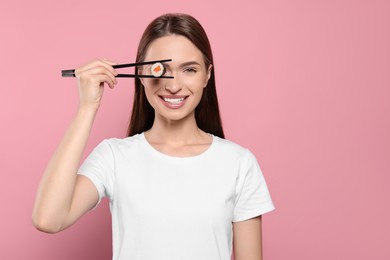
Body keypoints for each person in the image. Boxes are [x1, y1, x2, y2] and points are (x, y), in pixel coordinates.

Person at [32, 13, 275, 260]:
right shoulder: (114, 157)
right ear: (140, 74)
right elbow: (48, 218)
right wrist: (87, 108)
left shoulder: (239, 163)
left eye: (189, 69)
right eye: (161, 70)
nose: (173, 85)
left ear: (207, 75)